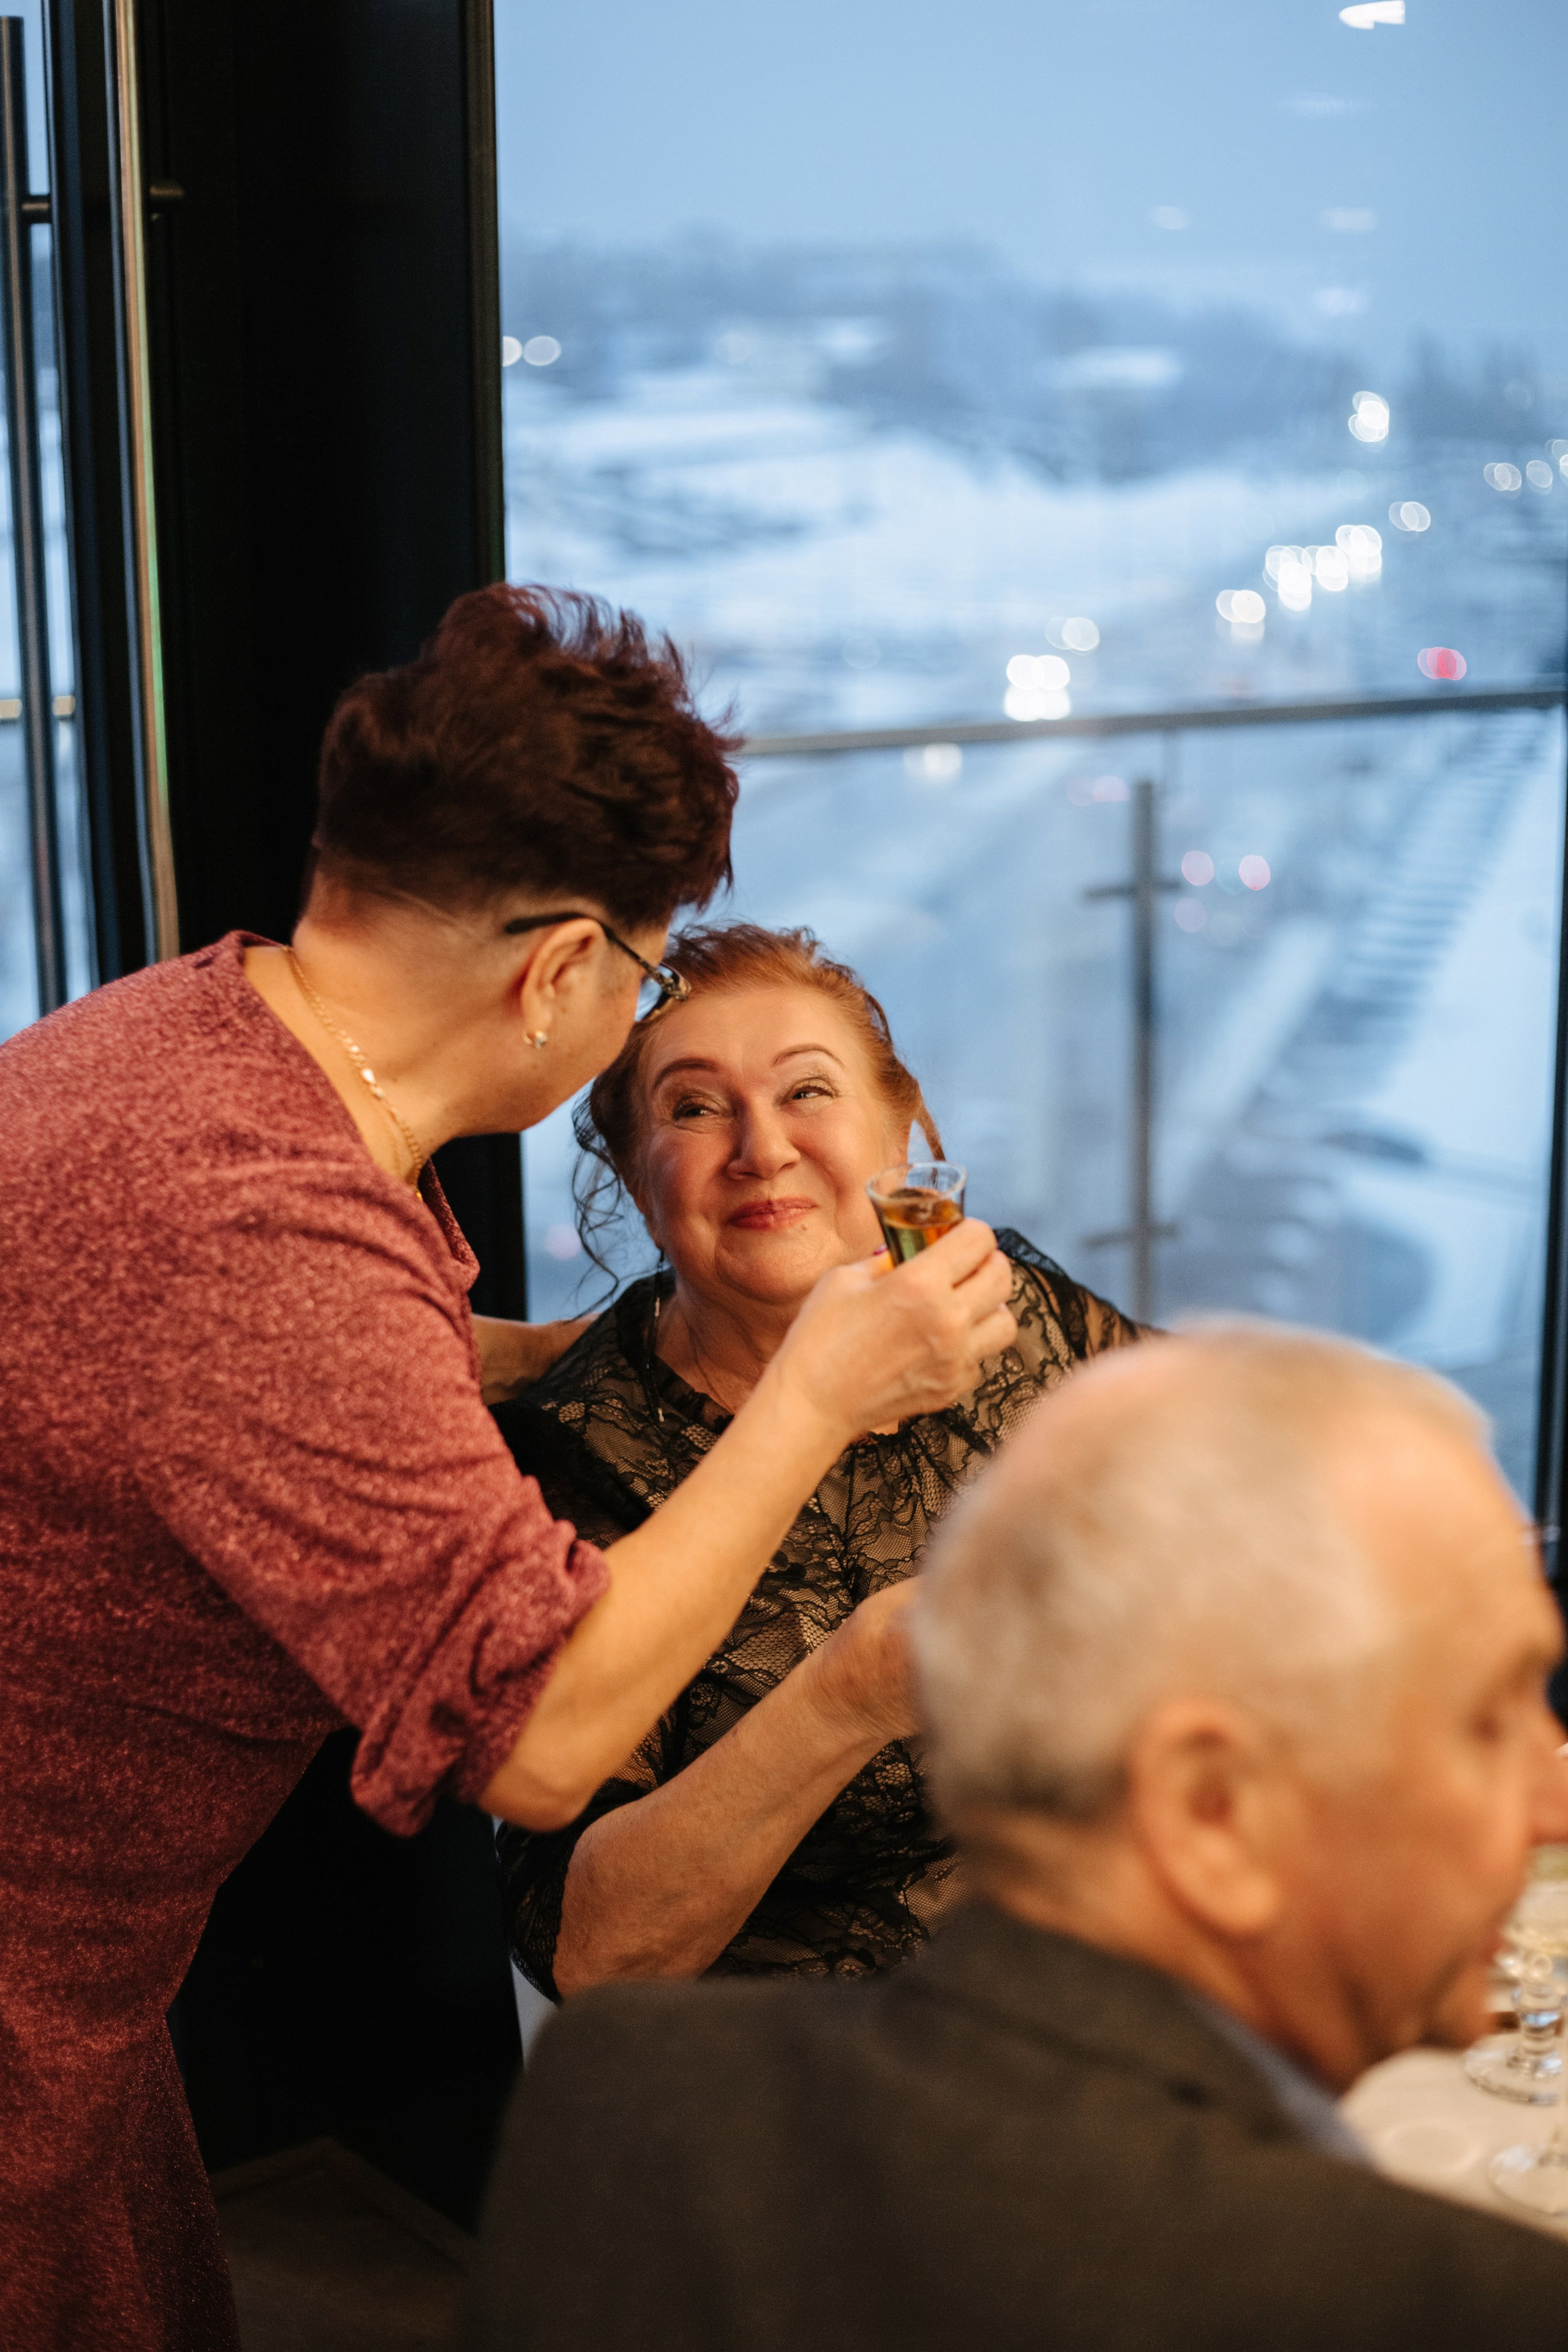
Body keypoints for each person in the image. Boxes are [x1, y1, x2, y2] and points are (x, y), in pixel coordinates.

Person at [0, 587, 1016, 2352]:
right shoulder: (263, 1228)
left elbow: (192, 1378)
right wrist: (810, 1403)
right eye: (643, 989)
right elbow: (541, 1740)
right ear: (560, 971)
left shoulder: (198, 1041)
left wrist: (551, 1356)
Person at [467, 1322, 1568, 2352]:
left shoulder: (620, 2094)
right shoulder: (1459, 2304)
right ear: (1211, 1813)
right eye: (1489, 1717)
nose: (1554, 1804)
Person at [494, 922, 1144, 1994]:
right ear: (631, 1173)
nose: (761, 1147)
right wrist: (848, 1699)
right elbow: (588, 1951)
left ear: (901, 1135)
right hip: (797, 2082)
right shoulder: (580, 1453)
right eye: (693, 1107)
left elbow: (1240, 1466)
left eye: (808, 1091)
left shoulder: (1005, 1307)